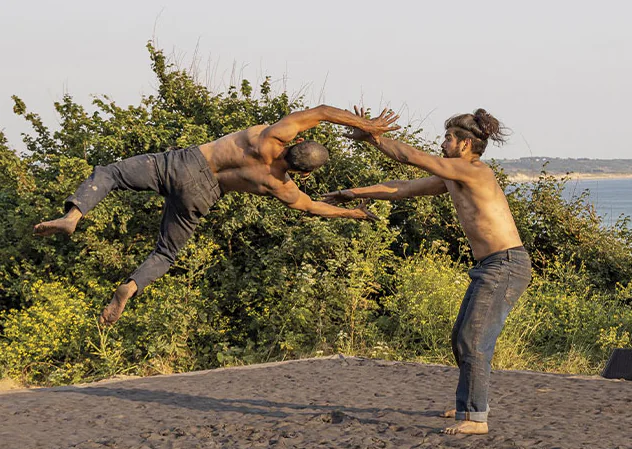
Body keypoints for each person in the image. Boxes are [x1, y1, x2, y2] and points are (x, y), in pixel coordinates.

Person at [34, 104, 400, 326]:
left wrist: (364, 124)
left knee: (110, 173)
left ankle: (74, 215)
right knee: (165, 252)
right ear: (304, 172)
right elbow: (312, 207)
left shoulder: (270, 137)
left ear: (298, 142)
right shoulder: (281, 186)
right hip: (202, 195)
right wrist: (352, 212)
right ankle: (130, 287)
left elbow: (321, 113)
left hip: (184, 164)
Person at [323, 106, 531, 435]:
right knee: (461, 339)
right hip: (490, 265)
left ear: (464, 145)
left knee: (473, 339)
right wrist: (354, 193)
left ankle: (476, 417)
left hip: (505, 263)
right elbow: (403, 187)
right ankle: (468, 404)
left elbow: (413, 157)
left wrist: (374, 137)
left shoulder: (476, 172)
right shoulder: (454, 176)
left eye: (447, 138)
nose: (442, 144)